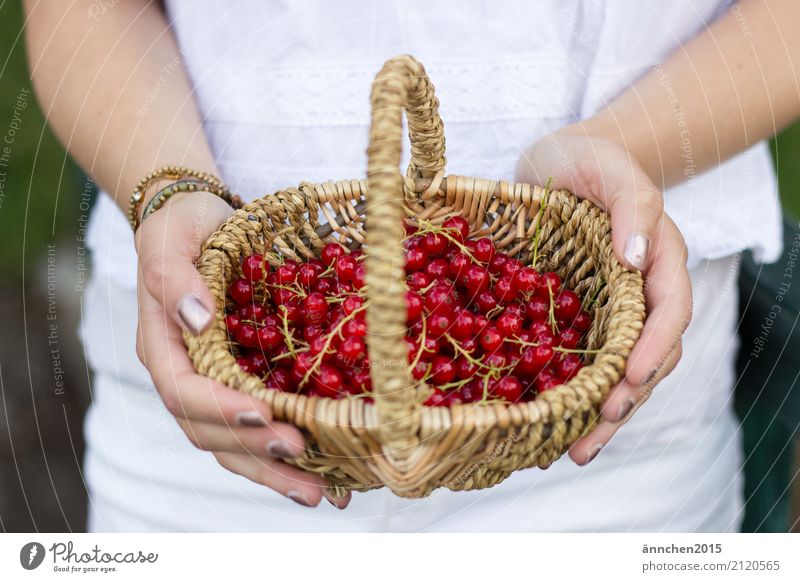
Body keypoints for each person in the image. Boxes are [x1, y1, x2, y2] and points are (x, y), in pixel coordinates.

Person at [24, 0, 797, 532]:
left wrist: (623, 151)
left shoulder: (534, 327)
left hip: (604, 417)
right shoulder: (273, 324)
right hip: (219, 410)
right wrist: (169, 187)